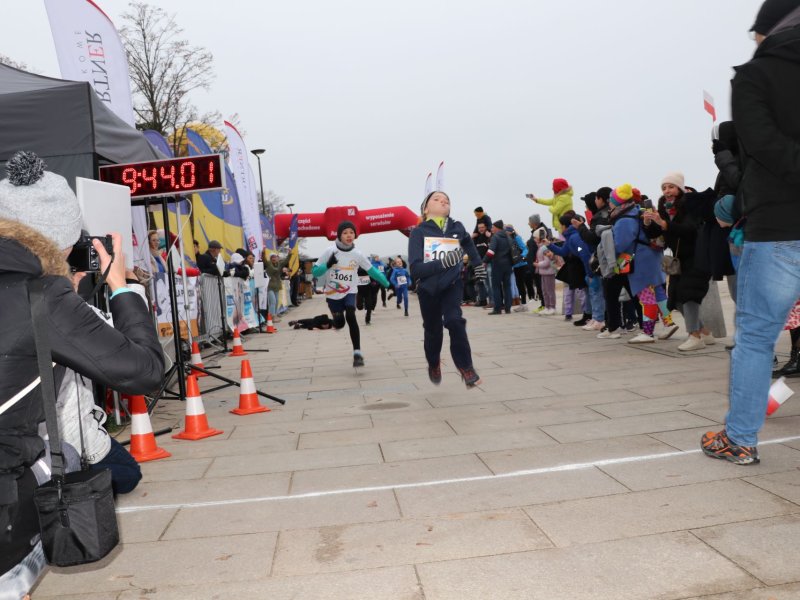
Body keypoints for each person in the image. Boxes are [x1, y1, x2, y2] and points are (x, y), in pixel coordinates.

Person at [0, 151, 164, 595]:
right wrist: (120, 284)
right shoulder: (41, 296)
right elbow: (144, 371)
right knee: (67, 461)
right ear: (62, 238)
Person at [702, 0, 800, 465]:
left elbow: (763, 145)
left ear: (769, 28)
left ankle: (740, 439)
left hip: (780, 225)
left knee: (757, 337)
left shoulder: (755, 76)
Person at [409, 191, 486, 387]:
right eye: (436, 199)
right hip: (428, 289)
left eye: (447, 200)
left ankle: (466, 367)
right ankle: (433, 362)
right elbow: (416, 269)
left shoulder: (457, 227)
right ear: (426, 209)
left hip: (452, 284)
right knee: (433, 331)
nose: (443, 201)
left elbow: (469, 243)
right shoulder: (418, 232)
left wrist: (478, 264)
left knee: (455, 321)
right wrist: (443, 262)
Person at [647, 173, 713, 351]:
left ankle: (694, 336)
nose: (667, 191)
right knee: (675, 299)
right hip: (678, 261)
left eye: (671, 187)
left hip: (697, 256)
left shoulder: (690, 203)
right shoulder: (664, 207)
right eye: (664, 188)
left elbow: (690, 230)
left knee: (689, 295)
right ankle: (704, 332)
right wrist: (649, 223)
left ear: (680, 188)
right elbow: (658, 234)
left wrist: (665, 225)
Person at [312, 221, 389, 367]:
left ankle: (357, 353)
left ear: (355, 235)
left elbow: (371, 270)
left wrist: (386, 282)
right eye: (345, 233)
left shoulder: (357, 254)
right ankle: (333, 321)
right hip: (333, 293)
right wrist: (327, 265)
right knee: (340, 323)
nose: (349, 235)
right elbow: (315, 272)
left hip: (350, 290)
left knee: (351, 315)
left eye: (351, 232)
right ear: (339, 235)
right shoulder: (330, 251)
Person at [610, 184, 677, 343]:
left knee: (646, 295)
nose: (609, 204)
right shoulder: (638, 211)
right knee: (659, 291)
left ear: (617, 202)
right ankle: (668, 323)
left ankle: (648, 332)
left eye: (611, 200)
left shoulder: (624, 219)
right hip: (653, 256)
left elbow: (620, 244)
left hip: (639, 260)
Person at [548, 212, 591, 324]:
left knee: (589, 294)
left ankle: (593, 317)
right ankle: (588, 316)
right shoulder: (570, 237)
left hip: (583, 268)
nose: (559, 228)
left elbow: (582, 252)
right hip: (581, 268)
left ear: (564, 226)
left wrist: (589, 272)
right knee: (587, 293)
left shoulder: (574, 237)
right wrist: (549, 244)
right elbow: (563, 251)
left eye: (560, 225)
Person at [483, 220, 514, 315]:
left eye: (493, 227)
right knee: (507, 286)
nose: (492, 229)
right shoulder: (508, 237)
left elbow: (491, 252)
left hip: (497, 265)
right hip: (508, 265)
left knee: (496, 286)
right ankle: (508, 308)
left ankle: (497, 309)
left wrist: (484, 261)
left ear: (497, 228)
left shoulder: (495, 237)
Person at [505, 224, 533, 312]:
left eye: (506, 231)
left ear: (510, 231)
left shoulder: (517, 238)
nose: (505, 233)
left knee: (522, 285)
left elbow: (525, 249)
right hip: (515, 266)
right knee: (519, 285)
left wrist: (522, 257)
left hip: (522, 265)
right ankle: (522, 304)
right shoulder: (507, 240)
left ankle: (524, 304)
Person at [532, 228, 557, 315]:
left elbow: (547, 262)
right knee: (545, 291)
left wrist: (537, 264)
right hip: (543, 272)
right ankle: (547, 307)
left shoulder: (544, 248)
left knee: (550, 291)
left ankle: (552, 307)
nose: (534, 239)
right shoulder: (541, 247)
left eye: (535, 237)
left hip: (548, 272)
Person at [473, 221, 492, 307]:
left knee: (489, 284)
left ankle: (492, 301)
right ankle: (483, 300)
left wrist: (490, 236)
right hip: (479, 263)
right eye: (479, 228)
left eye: (482, 227)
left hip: (488, 263)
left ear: (486, 227)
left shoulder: (489, 236)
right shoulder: (476, 238)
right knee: (480, 282)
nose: (481, 229)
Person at [264, 252, 288, 322]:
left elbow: (286, 261)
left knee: (277, 301)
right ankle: (272, 317)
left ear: (277, 258)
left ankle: (274, 315)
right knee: (273, 301)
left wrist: (289, 254)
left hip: (277, 286)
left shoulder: (279, 264)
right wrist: (263, 253)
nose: (274, 258)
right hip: (269, 286)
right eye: (272, 257)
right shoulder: (269, 264)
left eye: (275, 257)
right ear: (270, 258)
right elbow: (264, 260)